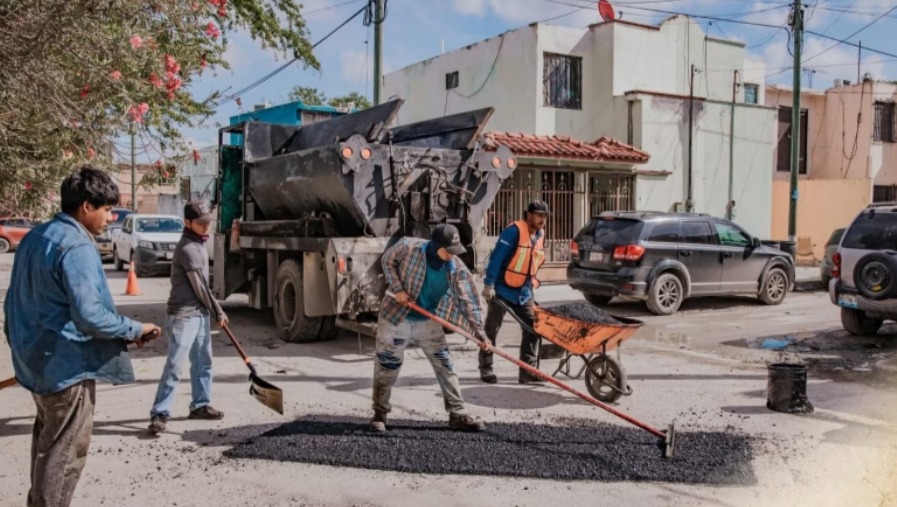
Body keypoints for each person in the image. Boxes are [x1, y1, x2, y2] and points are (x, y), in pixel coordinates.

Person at [4, 165, 162, 507]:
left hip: (36, 362)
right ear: (86, 206)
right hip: (67, 368)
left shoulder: (36, 236)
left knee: (47, 445)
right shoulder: (77, 246)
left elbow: (13, 301)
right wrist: (135, 329)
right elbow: (90, 316)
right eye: (106, 209)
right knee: (63, 455)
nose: (110, 217)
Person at [371, 224, 488, 433]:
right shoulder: (409, 247)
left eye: (455, 251)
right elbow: (387, 261)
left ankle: (457, 414)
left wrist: (480, 333)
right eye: (448, 251)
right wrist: (397, 288)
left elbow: (467, 301)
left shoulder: (456, 267)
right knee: (387, 366)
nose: (452, 256)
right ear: (435, 246)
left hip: (428, 318)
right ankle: (380, 414)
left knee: (445, 364)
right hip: (396, 317)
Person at [148, 201, 228, 434]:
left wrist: (210, 313)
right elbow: (201, 288)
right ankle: (160, 413)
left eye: (207, 223)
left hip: (199, 314)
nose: (205, 227)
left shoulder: (199, 243)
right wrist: (218, 312)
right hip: (183, 316)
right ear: (187, 222)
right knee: (175, 365)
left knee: (203, 362)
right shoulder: (187, 248)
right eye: (200, 223)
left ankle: (201, 404)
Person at [479, 200, 549, 384]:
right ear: (529, 215)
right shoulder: (513, 232)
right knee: (491, 330)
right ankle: (486, 368)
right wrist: (489, 284)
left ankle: (527, 372)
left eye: (545, 216)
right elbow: (496, 258)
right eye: (539, 215)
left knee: (533, 329)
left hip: (524, 292)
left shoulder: (540, 235)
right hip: (502, 290)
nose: (543, 219)